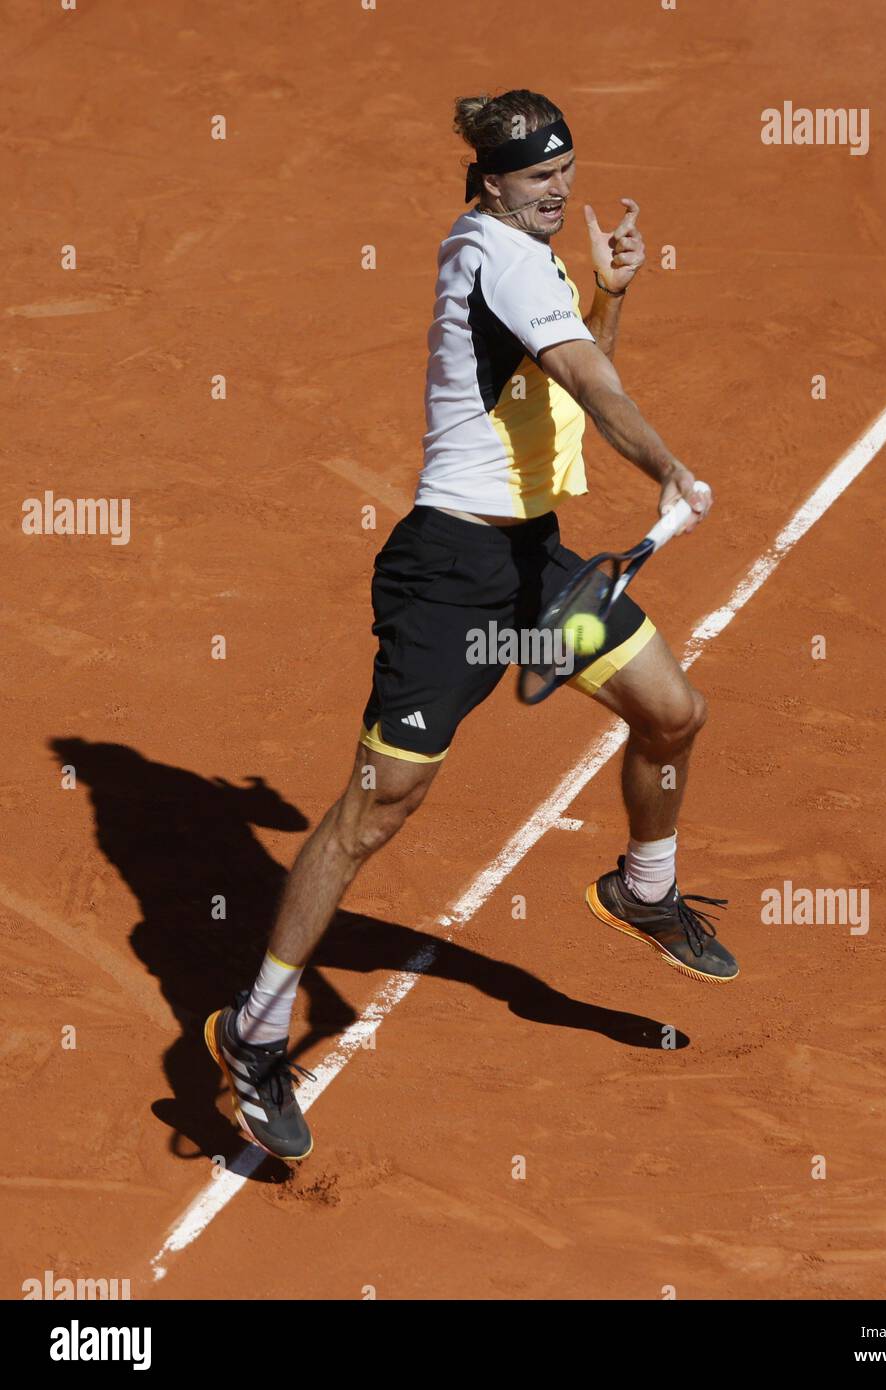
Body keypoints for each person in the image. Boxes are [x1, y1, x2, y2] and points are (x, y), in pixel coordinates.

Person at [205, 88, 738, 1163]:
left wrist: (607, 292)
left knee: (672, 713)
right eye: (540, 175)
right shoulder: (492, 252)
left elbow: (575, 374)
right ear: (491, 179)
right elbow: (582, 374)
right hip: (449, 574)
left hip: (533, 565)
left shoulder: (525, 264)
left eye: (566, 169)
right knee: (375, 808)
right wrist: (669, 468)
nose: (560, 188)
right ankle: (255, 1027)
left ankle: (641, 890)